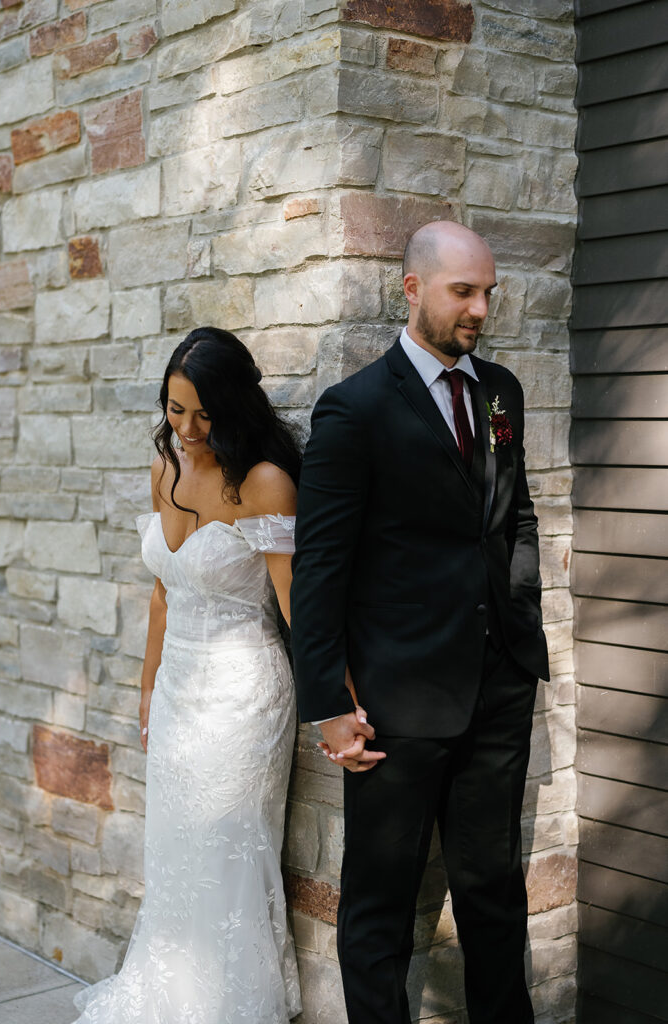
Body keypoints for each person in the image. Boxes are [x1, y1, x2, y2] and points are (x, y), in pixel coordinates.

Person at [290, 221, 549, 1024]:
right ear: (412, 290)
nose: (478, 309)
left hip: (496, 688)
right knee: (379, 907)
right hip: (396, 706)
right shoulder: (354, 409)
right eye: (461, 292)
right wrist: (327, 704)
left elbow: (515, 518)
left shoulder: (499, 391)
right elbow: (319, 569)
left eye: (486, 293)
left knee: (494, 892)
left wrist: (518, 616)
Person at [73, 327, 302, 1023]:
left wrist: (336, 694)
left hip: (244, 698)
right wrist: (146, 689)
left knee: (223, 853)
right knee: (175, 854)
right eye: (175, 410)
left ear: (234, 406)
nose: (189, 428)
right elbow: (163, 591)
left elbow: (297, 606)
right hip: (176, 693)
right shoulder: (165, 465)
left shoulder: (264, 484)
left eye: (203, 413)